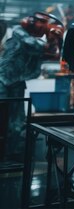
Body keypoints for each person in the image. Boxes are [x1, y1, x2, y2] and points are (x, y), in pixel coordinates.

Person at [0, 25, 45, 159]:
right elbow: (31, 43)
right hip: (4, 82)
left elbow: (35, 72)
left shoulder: (34, 48)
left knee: (16, 122)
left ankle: (8, 153)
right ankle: (5, 152)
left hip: (16, 85)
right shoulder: (20, 35)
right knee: (5, 119)